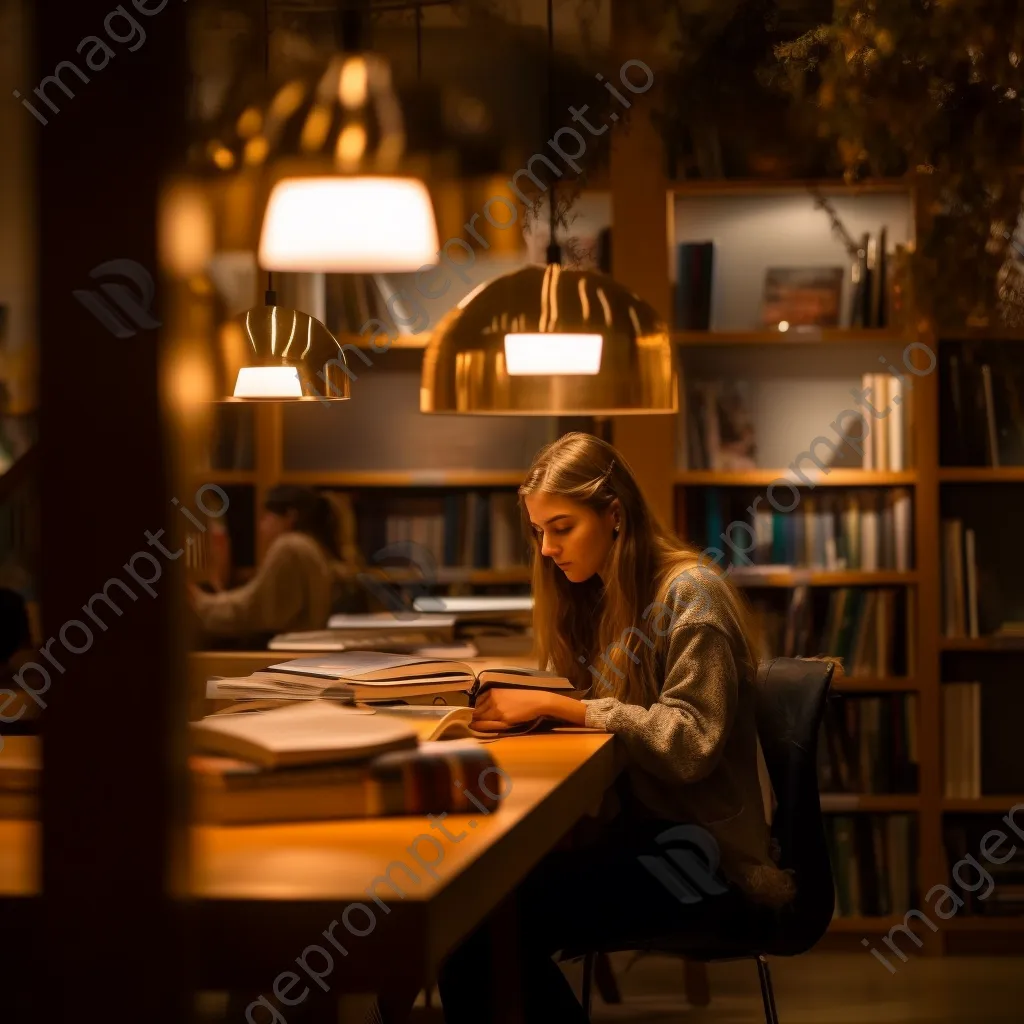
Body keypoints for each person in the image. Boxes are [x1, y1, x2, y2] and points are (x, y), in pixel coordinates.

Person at [438, 433, 795, 1023]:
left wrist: (571, 710)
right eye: (537, 532)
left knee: (482, 928)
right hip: (637, 831)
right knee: (470, 912)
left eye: (561, 527)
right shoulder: (596, 596)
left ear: (614, 516)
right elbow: (580, 698)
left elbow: (688, 744)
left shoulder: (691, 594)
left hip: (703, 854)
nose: (547, 548)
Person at [189, 485, 345, 645]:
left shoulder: (291, 547)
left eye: (266, 517)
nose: (261, 527)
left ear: (290, 516)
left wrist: (199, 603)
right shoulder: (311, 546)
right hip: (302, 648)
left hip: (288, 652)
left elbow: (253, 609)